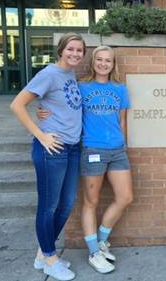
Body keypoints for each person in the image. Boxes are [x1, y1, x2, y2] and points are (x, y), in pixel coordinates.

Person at [38, 45, 133, 274]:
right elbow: (60, 105)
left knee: (125, 197)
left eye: (107, 61)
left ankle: (101, 241)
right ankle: (93, 253)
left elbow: (122, 121)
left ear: (113, 64)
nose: (103, 64)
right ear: (93, 62)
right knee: (91, 201)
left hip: (117, 150)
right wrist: (40, 111)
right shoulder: (81, 87)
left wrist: (124, 145)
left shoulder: (120, 89)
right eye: (99, 59)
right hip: (92, 149)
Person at [10, 32, 86, 281]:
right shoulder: (49, 74)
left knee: (66, 204)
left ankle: (43, 252)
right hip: (51, 149)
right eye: (71, 49)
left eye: (79, 50)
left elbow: (59, 105)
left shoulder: (69, 75)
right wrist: (41, 135)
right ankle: (50, 259)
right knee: (49, 206)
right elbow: (17, 104)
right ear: (61, 50)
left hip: (72, 148)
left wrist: (47, 113)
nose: (75, 54)